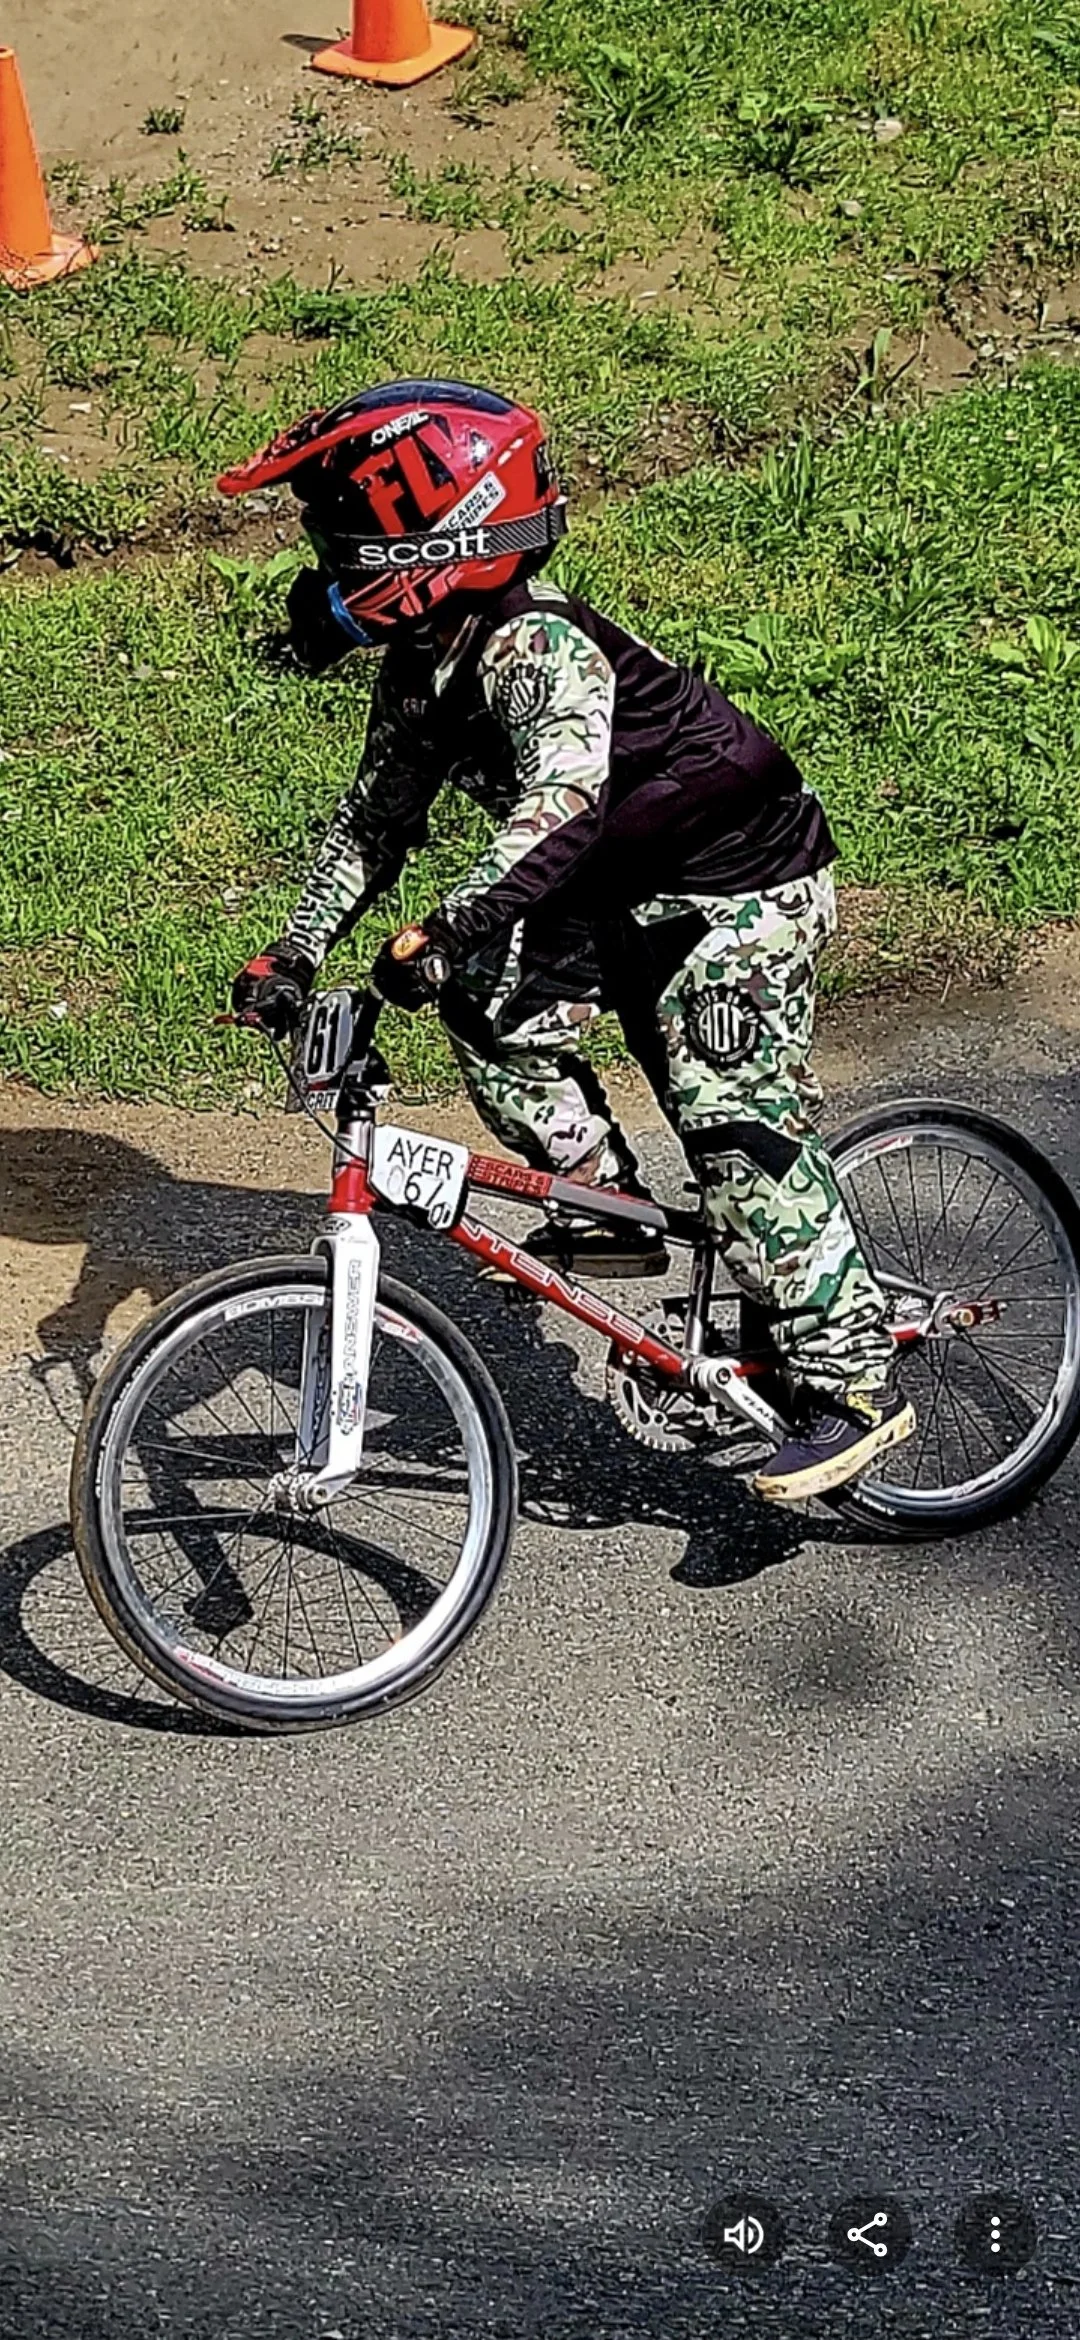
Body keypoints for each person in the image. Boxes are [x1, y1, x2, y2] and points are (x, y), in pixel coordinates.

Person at [219, 378, 914, 1503]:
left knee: (734, 1130)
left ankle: (854, 1384)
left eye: (345, 545)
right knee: (485, 1001)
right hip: (606, 896)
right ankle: (603, 1204)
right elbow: (371, 825)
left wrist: (446, 924)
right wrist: (290, 953)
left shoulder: (538, 648)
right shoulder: (424, 670)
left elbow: (563, 806)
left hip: (736, 894)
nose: (328, 572)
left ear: (436, 539)